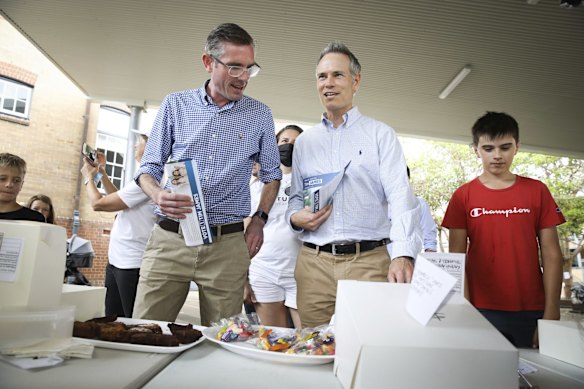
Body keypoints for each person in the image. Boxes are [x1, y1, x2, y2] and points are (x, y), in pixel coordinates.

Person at [132, 23, 281, 326]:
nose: (243, 78)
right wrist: (157, 193)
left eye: (249, 69)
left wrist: (259, 220)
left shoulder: (261, 115)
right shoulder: (175, 105)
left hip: (227, 248)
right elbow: (148, 169)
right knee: (145, 331)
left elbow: (272, 174)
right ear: (208, 62)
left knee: (224, 339)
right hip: (170, 241)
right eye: (235, 67)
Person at [286, 42, 421, 328]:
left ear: (356, 81)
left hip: (368, 263)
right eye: (322, 77)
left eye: (338, 75)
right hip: (314, 265)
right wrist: (295, 217)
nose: (328, 83)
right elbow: (296, 199)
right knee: (314, 348)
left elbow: (400, 196)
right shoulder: (305, 143)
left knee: (369, 346)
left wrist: (403, 254)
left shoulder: (380, 135)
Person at [442, 111, 565, 348]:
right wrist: (465, 309)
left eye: (505, 147)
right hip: (480, 309)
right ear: (476, 149)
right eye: (488, 148)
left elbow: (551, 255)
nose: (497, 155)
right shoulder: (463, 196)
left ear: (517, 146)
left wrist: (551, 314)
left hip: (532, 308)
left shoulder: (537, 191)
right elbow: (456, 258)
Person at [80, 128, 156, 317]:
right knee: (114, 319)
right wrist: (102, 172)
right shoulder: (143, 177)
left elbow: (98, 204)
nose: (135, 145)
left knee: (132, 322)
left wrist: (88, 177)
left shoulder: (149, 179)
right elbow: (118, 198)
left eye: (139, 142)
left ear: (149, 146)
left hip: (132, 264)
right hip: (118, 261)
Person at [244, 125, 303, 328]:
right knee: (274, 340)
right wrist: (243, 279)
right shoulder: (258, 186)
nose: (290, 146)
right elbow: (244, 231)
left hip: (301, 272)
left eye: (296, 143)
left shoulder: (312, 184)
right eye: (285, 141)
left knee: (310, 340)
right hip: (264, 270)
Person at [387, 166, 437, 257]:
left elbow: (429, 235)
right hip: (381, 263)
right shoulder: (377, 207)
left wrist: (431, 257)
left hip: (410, 261)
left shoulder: (420, 204)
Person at [0, 153, 45, 222]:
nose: (9, 184)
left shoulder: (34, 218)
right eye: (2, 179)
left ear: (21, 185)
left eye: (16, 180)